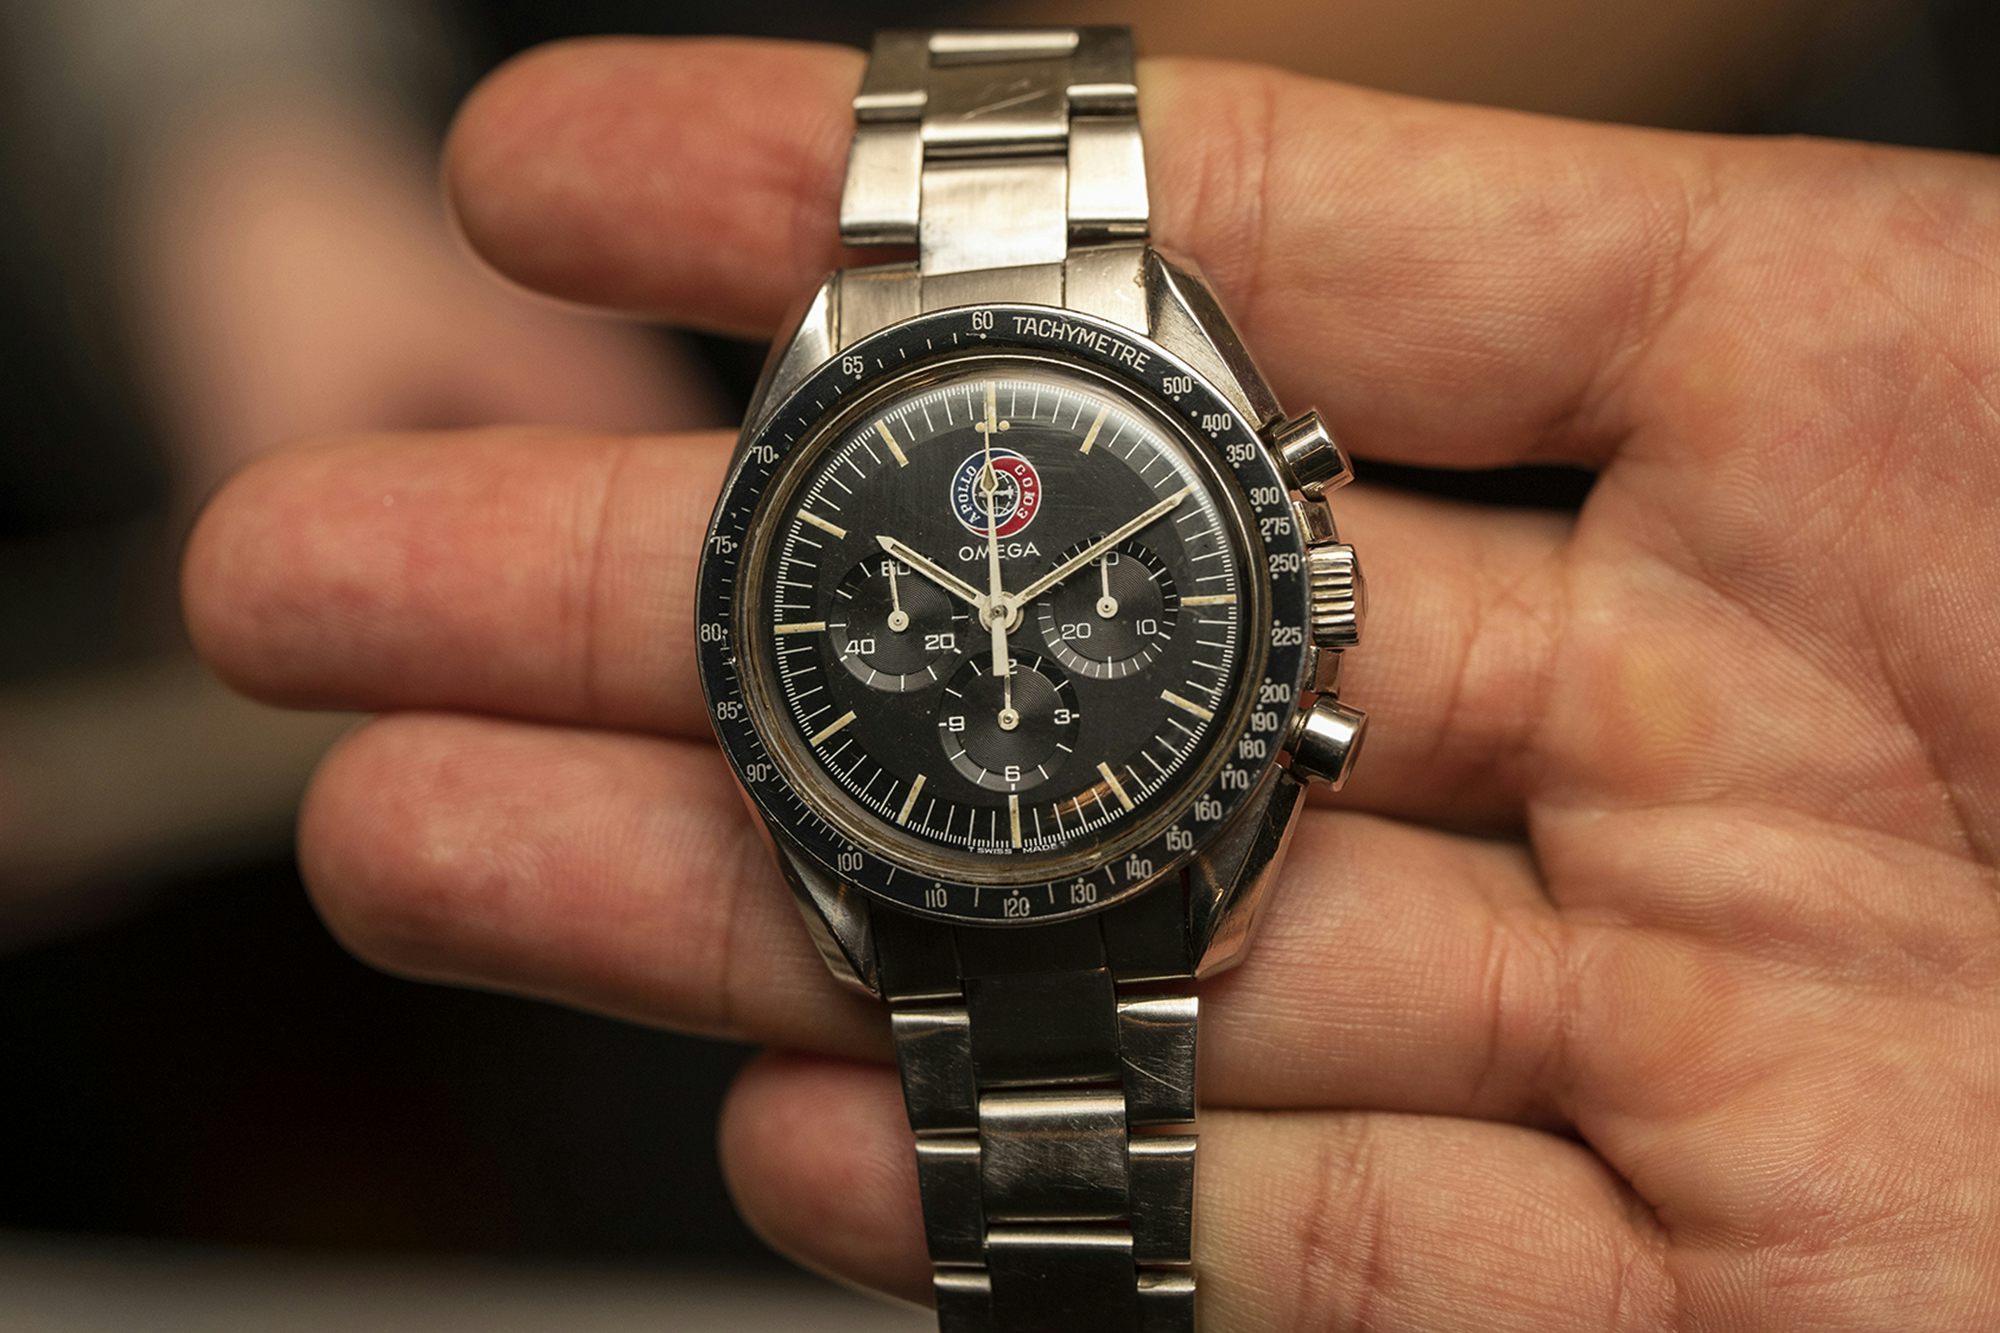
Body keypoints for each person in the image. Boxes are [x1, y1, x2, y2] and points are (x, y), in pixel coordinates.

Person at [180, 36, 2000, 1328]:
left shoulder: (1203, 553)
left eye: (1048, 597)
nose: (994, 622)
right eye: (956, 602)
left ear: (1300, 595)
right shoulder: (857, 453)